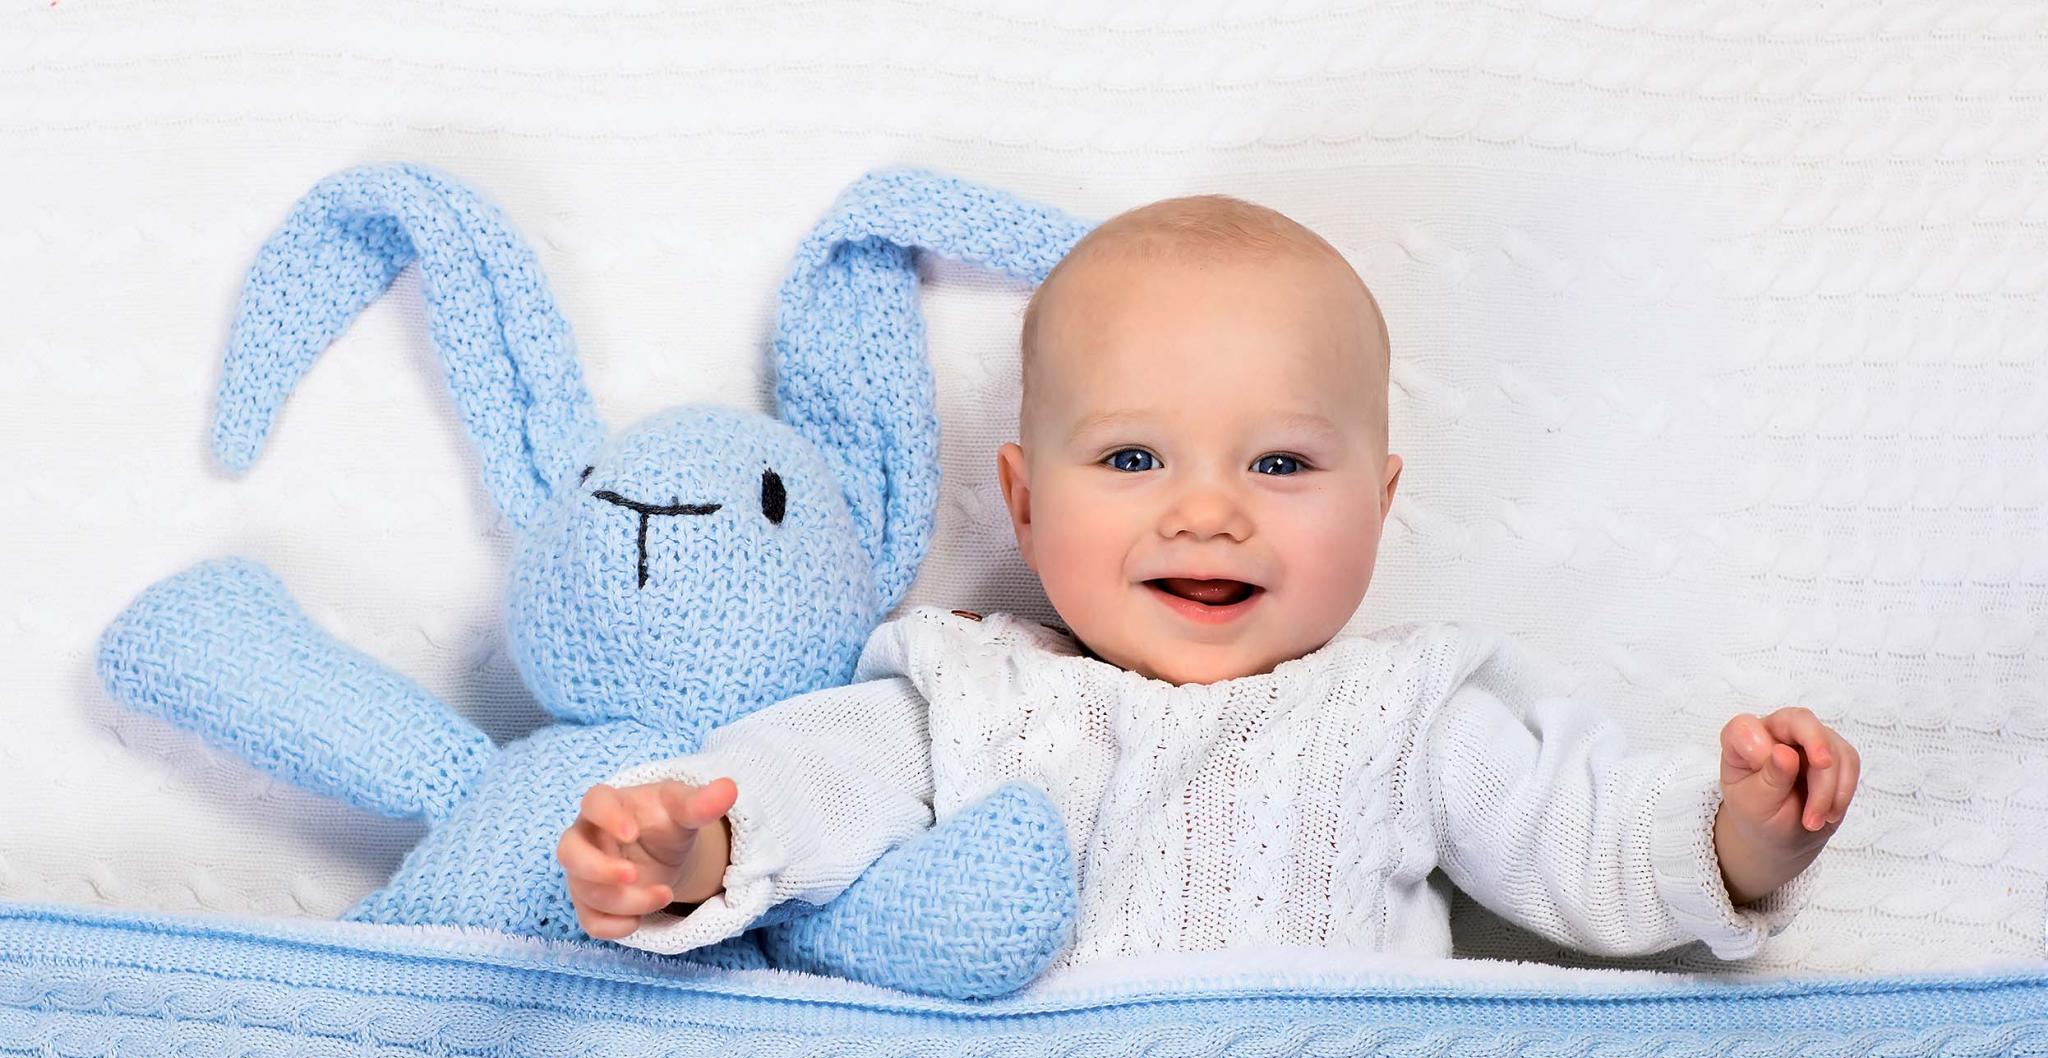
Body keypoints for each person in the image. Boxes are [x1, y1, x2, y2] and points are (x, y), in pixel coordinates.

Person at [555, 192, 1859, 972]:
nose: (1208, 511)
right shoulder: (972, 690)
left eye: (1280, 462)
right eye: (1132, 458)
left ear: (1379, 503)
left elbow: (1582, 843)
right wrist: (695, 845)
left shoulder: (1406, 715)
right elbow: (811, 782)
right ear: (1025, 502)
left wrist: (1745, 834)